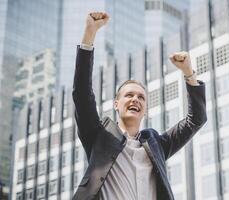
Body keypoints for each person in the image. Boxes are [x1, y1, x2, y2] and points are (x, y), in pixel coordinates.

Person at [72, 12, 207, 200]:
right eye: (129, 95)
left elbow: (196, 120)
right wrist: (89, 35)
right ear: (116, 104)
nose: (136, 99)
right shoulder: (99, 136)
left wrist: (188, 73)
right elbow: (82, 95)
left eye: (141, 97)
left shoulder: (156, 144)